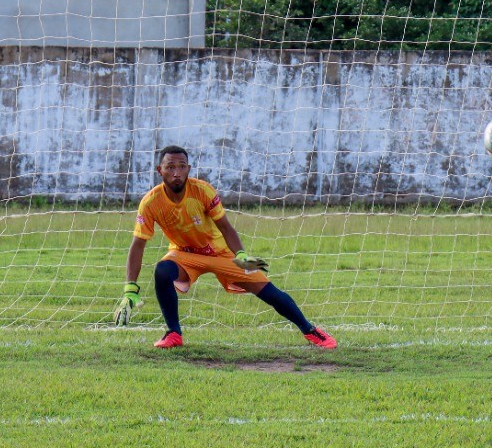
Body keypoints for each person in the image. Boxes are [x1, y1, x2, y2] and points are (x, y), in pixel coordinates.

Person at [120, 146, 336, 351]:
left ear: (188, 169)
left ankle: (310, 330)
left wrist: (241, 256)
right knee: (162, 271)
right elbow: (138, 244)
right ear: (160, 170)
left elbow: (226, 227)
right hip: (184, 255)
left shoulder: (202, 190)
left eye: (181, 166)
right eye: (170, 167)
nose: (176, 172)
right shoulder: (150, 202)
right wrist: (130, 287)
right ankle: (173, 334)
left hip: (221, 253)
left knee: (270, 292)